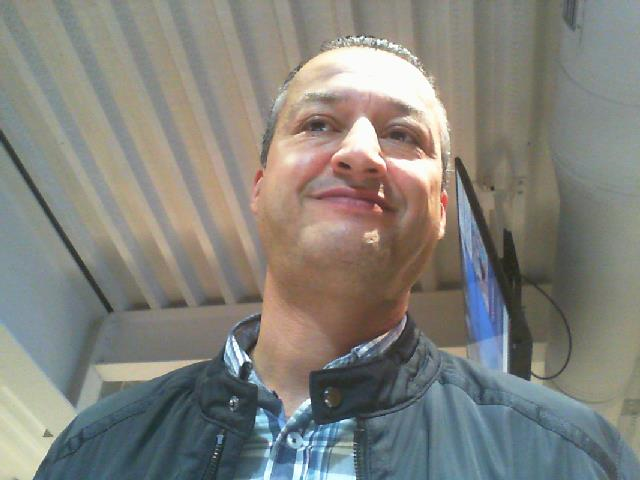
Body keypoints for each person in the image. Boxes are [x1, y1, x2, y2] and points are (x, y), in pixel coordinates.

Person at [35, 36, 638, 479]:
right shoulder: (91, 453)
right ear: (260, 186)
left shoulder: (573, 458)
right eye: (319, 123)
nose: (361, 153)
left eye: (402, 135)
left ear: (440, 211)